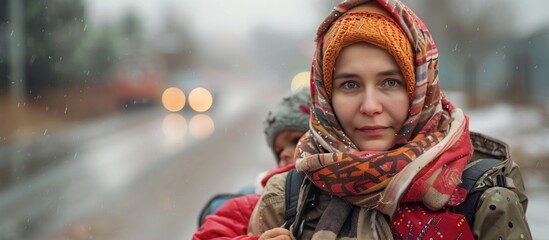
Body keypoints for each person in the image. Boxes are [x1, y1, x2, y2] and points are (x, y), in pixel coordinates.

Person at [247, 0, 531, 239]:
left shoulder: (482, 199)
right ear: (325, 96)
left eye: (390, 82)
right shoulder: (285, 198)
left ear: (421, 89)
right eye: (350, 85)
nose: (370, 106)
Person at [193, 87, 310, 240]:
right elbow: (209, 235)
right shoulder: (260, 198)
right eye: (278, 149)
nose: (284, 153)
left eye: (296, 141)